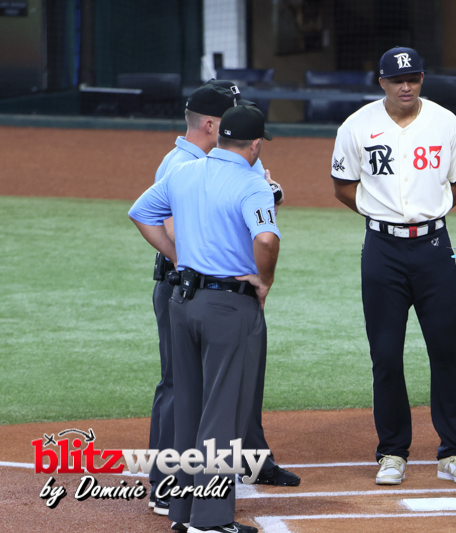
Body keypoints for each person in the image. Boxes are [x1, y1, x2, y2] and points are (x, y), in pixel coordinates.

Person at [330, 46, 456, 486]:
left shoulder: (445, 123)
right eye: (397, 80)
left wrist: (429, 213)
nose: (406, 86)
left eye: (413, 78)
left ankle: (453, 452)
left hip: (434, 249)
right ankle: (392, 452)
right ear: (382, 82)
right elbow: (342, 185)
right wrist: (382, 215)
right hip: (382, 251)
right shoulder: (356, 126)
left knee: (444, 353)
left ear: (422, 80)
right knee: (385, 355)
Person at [146, 83, 297, 519]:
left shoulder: (211, 165)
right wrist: (189, 261)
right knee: (192, 395)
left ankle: (198, 494)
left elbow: (142, 212)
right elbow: (259, 235)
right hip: (201, 292)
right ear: (214, 125)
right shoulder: (183, 164)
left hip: (193, 294)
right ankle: (179, 494)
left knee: (217, 395)